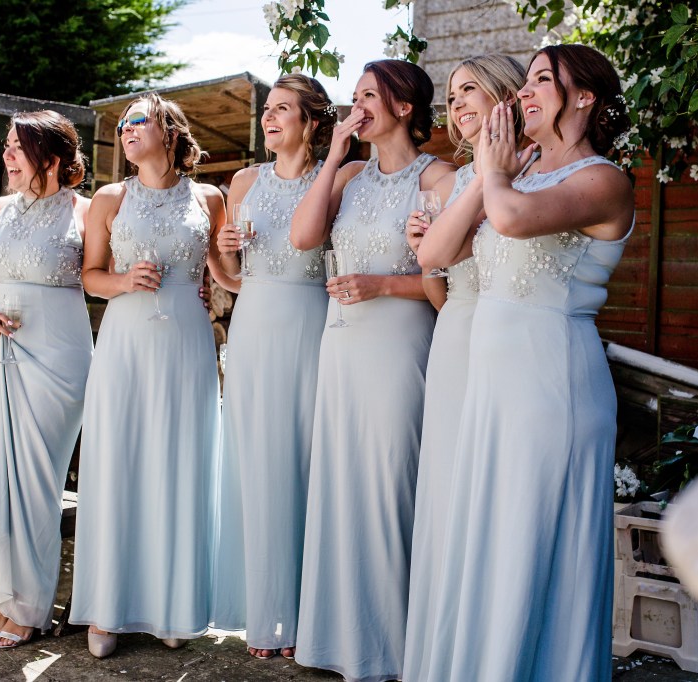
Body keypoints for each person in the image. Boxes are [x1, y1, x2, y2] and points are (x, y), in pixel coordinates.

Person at [424, 44, 635, 680]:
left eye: (544, 79)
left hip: (552, 382)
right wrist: (497, 171)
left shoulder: (603, 179)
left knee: (533, 545)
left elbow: (511, 220)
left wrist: (494, 174)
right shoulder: (513, 173)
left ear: (587, 98)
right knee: (492, 544)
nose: (526, 91)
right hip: (492, 384)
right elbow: (434, 254)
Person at [289, 59, 455, 682]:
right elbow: (305, 239)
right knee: (340, 485)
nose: (354, 107)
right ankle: (339, 639)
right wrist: (331, 154)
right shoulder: (351, 173)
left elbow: (453, 286)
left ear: (405, 107)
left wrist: (384, 282)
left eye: (367, 96)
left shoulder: (440, 178)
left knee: (390, 487)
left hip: (399, 346)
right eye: (351, 97)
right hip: (341, 347)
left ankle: (392, 650)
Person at [69, 93, 228, 658]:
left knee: (178, 462)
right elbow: (89, 276)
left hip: (187, 339)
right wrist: (123, 281)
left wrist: (233, 254)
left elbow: (225, 275)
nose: (128, 130)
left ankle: (171, 603)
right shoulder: (108, 198)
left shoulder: (210, 198)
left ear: (169, 130)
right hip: (126, 341)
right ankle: (107, 609)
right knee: (120, 462)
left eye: (140, 120)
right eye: (125, 123)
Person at [400, 53, 528, 682]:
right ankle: (443, 649)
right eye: (450, 97)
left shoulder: (534, 171)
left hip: (515, 339)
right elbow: (433, 280)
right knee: (448, 488)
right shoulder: (444, 184)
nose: (457, 105)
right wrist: (431, 256)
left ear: (507, 93)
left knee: (498, 489)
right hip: (456, 335)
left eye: (470, 89)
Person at [0, 110, 92, 650]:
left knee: (36, 482)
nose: (6, 155)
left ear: (51, 158)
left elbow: (103, 275)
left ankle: (29, 608)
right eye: (6, 145)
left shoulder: (86, 210)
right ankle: (9, 604)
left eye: (18, 147)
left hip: (58, 358)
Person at [210, 73, 336, 661]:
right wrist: (226, 252)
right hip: (254, 324)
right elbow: (232, 278)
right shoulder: (243, 180)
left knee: (309, 460)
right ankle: (267, 612)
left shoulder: (334, 180)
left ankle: (310, 611)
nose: (268, 117)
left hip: (313, 325)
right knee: (257, 462)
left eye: (283, 109)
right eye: (267, 109)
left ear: (311, 122)